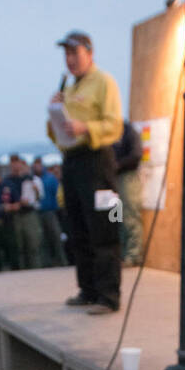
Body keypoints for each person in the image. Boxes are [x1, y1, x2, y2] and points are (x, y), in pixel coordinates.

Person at [48, 30, 122, 313]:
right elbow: (57, 136)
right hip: (73, 163)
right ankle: (88, 289)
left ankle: (108, 296)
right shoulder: (68, 88)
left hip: (97, 161)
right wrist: (55, 113)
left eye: (74, 53)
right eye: (66, 54)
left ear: (90, 54)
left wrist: (85, 128)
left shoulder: (104, 82)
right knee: (78, 229)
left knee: (103, 228)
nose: (70, 60)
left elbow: (115, 125)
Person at [113, 119, 144, 266]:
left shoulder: (128, 130)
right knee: (115, 218)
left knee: (129, 215)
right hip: (112, 179)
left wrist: (117, 164)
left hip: (127, 177)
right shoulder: (108, 134)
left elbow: (136, 155)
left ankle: (133, 255)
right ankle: (120, 254)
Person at [7, 154, 44, 270]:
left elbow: (39, 197)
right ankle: (21, 270)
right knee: (19, 245)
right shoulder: (8, 180)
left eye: (17, 162)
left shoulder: (31, 179)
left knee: (33, 243)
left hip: (29, 213)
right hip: (15, 214)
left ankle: (36, 268)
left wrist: (35, 191)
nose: (15, 165)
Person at [32, 157, 67, 267]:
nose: (37, 167)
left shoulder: (50, 179)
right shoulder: (33, 179)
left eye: (38, 164)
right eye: (35, 165)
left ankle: (62, 261)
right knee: (42, 239)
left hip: (51, 212)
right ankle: (46, 263)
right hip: (38, 212)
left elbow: (57, 194)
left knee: (56, 236)